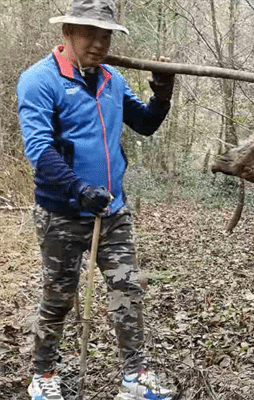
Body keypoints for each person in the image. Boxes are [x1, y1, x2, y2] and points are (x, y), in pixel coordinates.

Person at [17, 1, 176, 399]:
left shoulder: (112, 80)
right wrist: (78, 189)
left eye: (106, 35)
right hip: (62, 212)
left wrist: (162, 90)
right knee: (59, 296)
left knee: (127, 290)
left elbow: (146, 124)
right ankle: (44, 376)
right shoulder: (40, 80)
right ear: (68, 32)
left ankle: (135, 378)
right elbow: (39, 149)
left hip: (112, 210)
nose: (100, 43)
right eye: (91, 34)